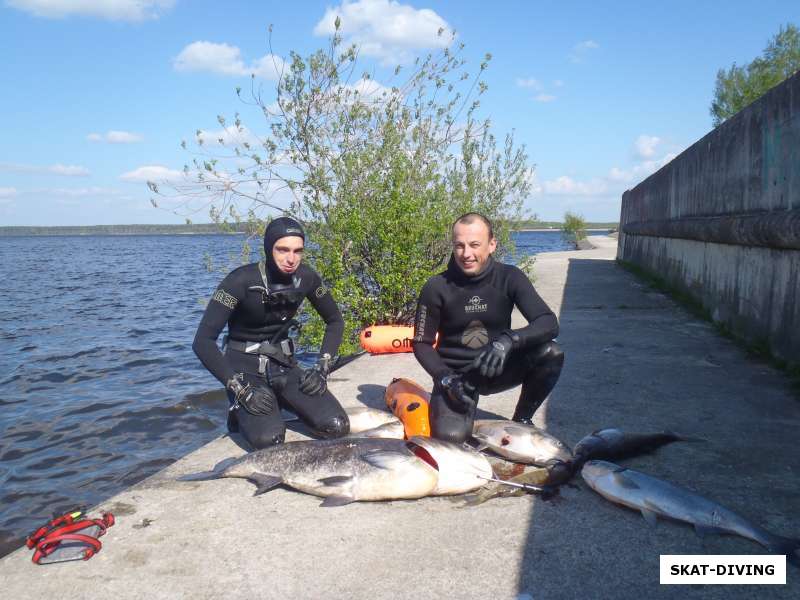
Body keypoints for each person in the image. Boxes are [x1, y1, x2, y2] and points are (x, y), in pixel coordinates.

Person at [193, 216, 349, 449]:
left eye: (298, 251)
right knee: (270, 440)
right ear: (268, 248)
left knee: (337, 426)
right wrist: (238, 388)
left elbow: (335, 321)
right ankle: (240, 413)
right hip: (245, 372)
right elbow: (203, 342)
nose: (291, 259)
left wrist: (322, 368)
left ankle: (281, 401)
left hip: (283, 366)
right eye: (282, 249)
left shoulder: (306, 278)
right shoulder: (239, 281)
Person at [412, 212, 564, 443]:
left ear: (492, 245)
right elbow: (421, 343)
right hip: (456, 378)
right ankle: (455, 406)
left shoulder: (510, 277)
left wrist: (508, 341)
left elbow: (548, 322)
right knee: (451, 440)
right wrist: (444, 378)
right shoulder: (436, 286)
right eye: (459, 246)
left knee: (551, 352)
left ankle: (522, 419)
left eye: (474, 245)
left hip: (497, 367)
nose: (466, 254)